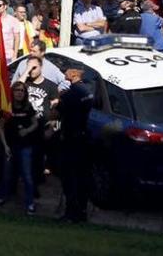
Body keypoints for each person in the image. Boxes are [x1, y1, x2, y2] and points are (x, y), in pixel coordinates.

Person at [0, 82, 38, 215]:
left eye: (22, 91)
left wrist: (27, 130)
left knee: (27, 175)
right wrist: (5, 145)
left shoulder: (28, 107)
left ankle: (30, 203)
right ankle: (2, 197)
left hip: (25, 146)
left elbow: (35, 123)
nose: (19, 93)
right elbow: (0, 127)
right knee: (7, 174)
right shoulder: (7, 108)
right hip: (10, 146)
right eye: (17, 90)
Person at [57, 67, 93, 222]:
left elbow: (61, 110)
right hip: (85, 139)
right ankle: (83, 211)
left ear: (73, 74)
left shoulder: (71, 94)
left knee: (70, 178)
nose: (64, 72)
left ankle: (71, 213)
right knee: (83, 177)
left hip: (71, 140)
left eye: (66, 71)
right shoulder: (89, 91)